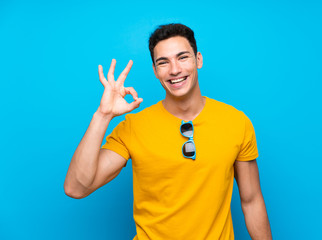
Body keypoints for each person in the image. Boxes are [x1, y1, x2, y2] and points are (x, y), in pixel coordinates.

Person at [64, 23, 272, 240]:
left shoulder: (236, 122)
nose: (174, 69)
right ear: (155, 71)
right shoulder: (133, 127)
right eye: (163, 62)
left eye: (182, 57)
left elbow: (252, 200)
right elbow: (76, 188)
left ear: (198, 60)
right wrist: (103, 115)